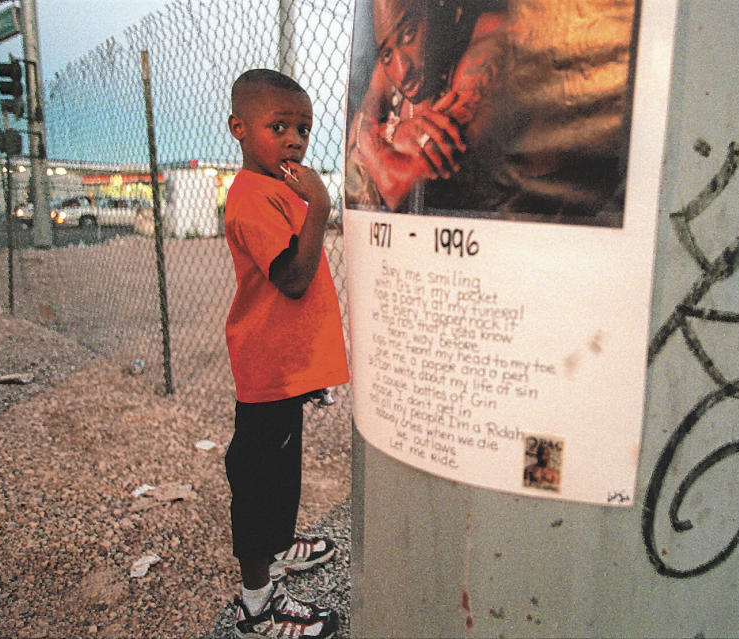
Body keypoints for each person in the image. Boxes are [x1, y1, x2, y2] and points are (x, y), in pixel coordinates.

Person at [223, 68, 349, 639]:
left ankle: (281, 543)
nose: (295, 139)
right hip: (266, 371)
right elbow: (294, 280)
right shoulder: (252, 197)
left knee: (282, 476)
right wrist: (320, 203)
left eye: (303, 128)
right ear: (240, 129)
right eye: (279, 126)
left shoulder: (277, 190)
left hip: (284, 370)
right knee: (259, 485)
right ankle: (258, 607)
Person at [345, 0, 507, 212]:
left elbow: (396, 187)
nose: (402, 70)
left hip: (513, 231)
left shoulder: (488, 41)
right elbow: (352, 160)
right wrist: (392, 133)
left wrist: (374, 143)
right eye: (387, 54)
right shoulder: (389, 60)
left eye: (409, 34)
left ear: (439, 8)